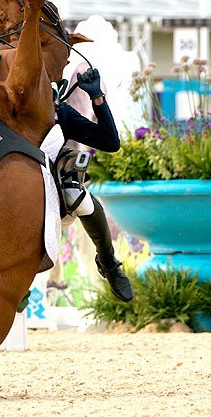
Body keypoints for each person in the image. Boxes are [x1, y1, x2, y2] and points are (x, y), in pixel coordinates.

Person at [56, 65, 134, 302]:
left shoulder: (61, 111)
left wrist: (97, 97)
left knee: (79, 198)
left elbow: (109, 142)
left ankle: (108, 261)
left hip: (52, 183)